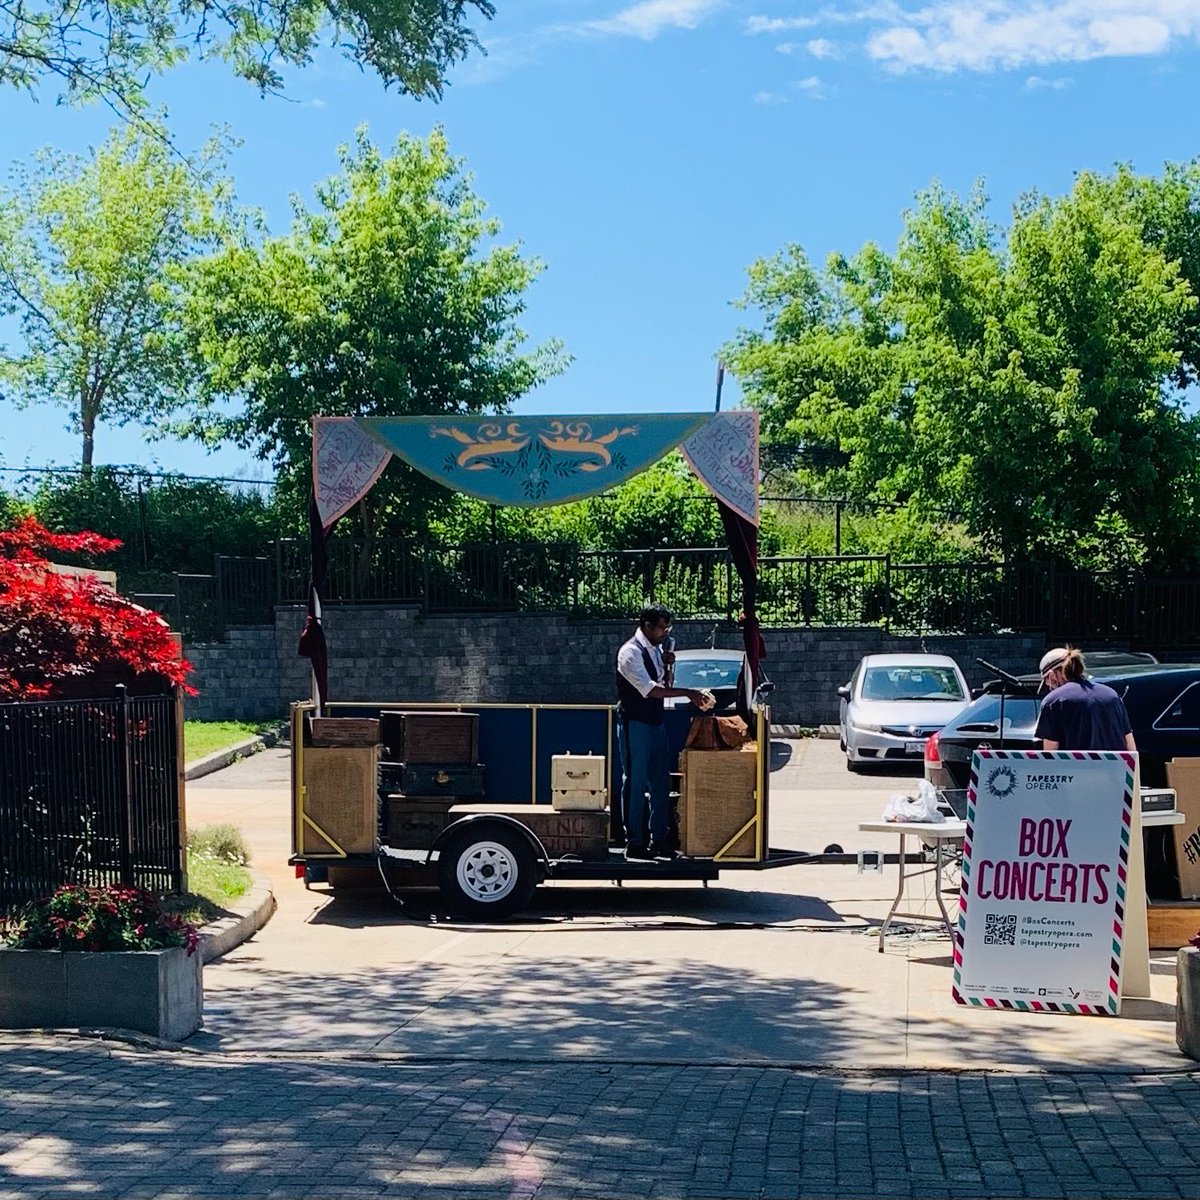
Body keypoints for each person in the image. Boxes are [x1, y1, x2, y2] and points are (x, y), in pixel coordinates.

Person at [615, 605, 712, 861]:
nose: (664, 633)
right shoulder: (630, 653)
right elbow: (650, 690)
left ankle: (659, 838)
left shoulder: (657, 650)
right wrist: (689, 692)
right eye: (660, 628)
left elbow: (663, 684)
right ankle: (634, 840)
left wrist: (668, 664)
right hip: (635, 721)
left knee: (659, 781)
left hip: (655, 721)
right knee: (635, 781)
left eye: (667, 628)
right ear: (646, 625)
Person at [1034, 646, 1137, 752]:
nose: (1050, 688)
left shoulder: (1053, 701)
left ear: (1051, 676)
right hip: (1116, 767)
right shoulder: (1112, 695)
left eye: (1047, 683)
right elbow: (1130, 746)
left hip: (1076, 768)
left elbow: (1050, 754)